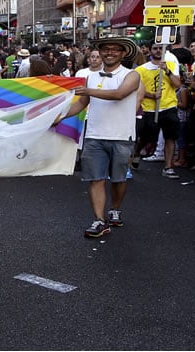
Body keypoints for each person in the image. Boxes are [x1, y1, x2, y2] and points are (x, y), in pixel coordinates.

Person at [55, 37, 141, 238]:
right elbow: (82, 103)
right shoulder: (91, 78)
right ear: (100, 53)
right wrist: (59, 117)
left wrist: (89, 90)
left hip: (121, 136)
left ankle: (115, 209)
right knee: (96, 178)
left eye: (115, 50)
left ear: (122, 53)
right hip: (94, 135)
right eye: (106, 49)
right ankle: (99, 221)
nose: (110, 52)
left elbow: (119, 94)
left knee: (119, 179)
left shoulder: (131, 75)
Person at [134, 42, 183, 179]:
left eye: (160, 48)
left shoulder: (171, 65)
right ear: (150, 51)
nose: (157, 51)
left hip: (169, 106)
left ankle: (168, 167)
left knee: (170, 137)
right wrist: (151, 95)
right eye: (154, 48)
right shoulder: (141, 70)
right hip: (149, 108)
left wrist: (167, 71)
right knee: (147, 137)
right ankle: (137, 152)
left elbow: (177, 84)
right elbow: (138, 90)